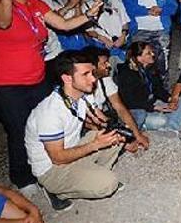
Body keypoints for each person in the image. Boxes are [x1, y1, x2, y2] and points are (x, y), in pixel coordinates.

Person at [0, 0, 102, 192]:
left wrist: (88, 14)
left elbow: (64, 24)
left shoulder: (35, 3)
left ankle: (54, 165)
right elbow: (3, 22)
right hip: (6, 82)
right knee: (19, 129)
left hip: (36, 76)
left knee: (43, 123)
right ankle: (22, 176)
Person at [25, 51, 128, 211]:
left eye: (92, 73)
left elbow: (99, 118)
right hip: (52, 169)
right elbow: (57, 158)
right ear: (67, 78)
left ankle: (90, 175)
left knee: (116, 134)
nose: (93, 79)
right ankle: (56, 191)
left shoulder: (82, 94)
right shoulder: (50, 112)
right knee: (109, 183)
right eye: (85, 74)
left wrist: (115, 131)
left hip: (71, 151)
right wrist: (95, 145)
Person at [122, 0, 178, 89]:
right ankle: (142, 94)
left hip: (160, 29)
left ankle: (164, 93)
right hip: (140, 29)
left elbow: (173, 6)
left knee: (161, 64)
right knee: (138, 64)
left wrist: (161, 10)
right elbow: (128, 5)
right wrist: (147, 11)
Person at [84, 46, 150, 150]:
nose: (109, 65)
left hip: (104, 117)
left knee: (137, 115)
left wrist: (137, 135)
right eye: (104, 63)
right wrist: (124, 142)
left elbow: (119, 107)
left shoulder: (104, 80)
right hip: (89, 124)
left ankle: (124, 138)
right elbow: (88, 122)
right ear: (92, 67)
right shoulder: (80, 87)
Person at [116, 41, 181, 137]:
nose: (153, 54)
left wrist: (170, 99)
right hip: (139, 109)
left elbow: (158, 89)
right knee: (161, 121)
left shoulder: (150, 68)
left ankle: (171, 127)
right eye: (148, 53)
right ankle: (147, 125)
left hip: (153, 102)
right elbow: (130, 101)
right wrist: (154, 108)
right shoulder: (127, 73)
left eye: (151, 51)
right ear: (138, 58)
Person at [83, 0, 130, 65]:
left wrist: (122, 37)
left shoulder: (115, 0)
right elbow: (89, 31)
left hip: (121, 45)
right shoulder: (86, 5)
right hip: (102, 48)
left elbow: (125, 22)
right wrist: (103, 39)